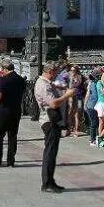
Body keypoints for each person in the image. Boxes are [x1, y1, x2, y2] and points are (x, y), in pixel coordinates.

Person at [34, 62, 72, 193]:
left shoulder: (48, 83)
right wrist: (67, 95)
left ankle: (50, 180)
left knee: (52, 151)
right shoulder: (43, 84)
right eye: (55, 72)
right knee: (50, 151)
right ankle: (47, 182)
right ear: (50, 71)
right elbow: (53, 104)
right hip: (48, 120)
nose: (56, 75)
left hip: (53, 120)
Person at [0, 60, 25, 167]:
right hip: (16, 110)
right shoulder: (20, 79)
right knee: (12, 135)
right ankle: (11, 160)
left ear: (5, 68)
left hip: (5, 110)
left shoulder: (3, 80)